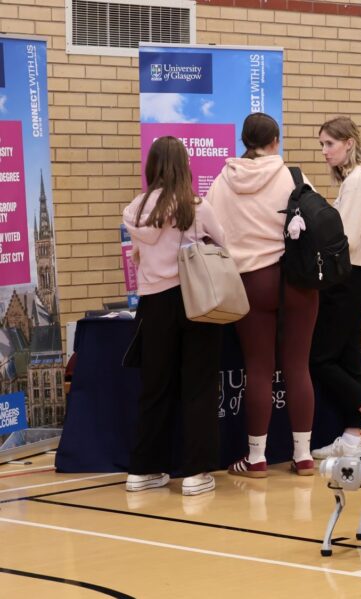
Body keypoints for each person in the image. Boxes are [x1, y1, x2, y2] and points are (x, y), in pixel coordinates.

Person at [205, 113, 321, 478]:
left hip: (251, 281)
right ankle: (303, 455)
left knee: (258, 369)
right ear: (275, 141)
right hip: (298, 280)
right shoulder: (293, 176)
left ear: (244, 140)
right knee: (298, 366)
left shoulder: (223, 181)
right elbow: (320, 221)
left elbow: (209, 232)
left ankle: (256, 458)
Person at [123, 136, 227, 497]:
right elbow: (224, 245)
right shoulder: (196, 206)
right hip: (197, 300)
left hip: (153, 304)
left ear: (151, 166)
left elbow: (138, 253)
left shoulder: (134, 210)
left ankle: (143, 470)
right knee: (199, 385)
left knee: (155, 387)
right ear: (184, 165)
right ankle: (196, 473)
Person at [308, 116, 361, 460]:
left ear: (349, 143)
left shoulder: (358, 181)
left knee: (320, 359)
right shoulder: (355, 180)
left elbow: (346, 239)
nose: (324, 151)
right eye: (321, 145)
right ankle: (352, 435)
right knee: (348, 355)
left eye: (329, 144)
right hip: (353, 275)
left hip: (345, 277)